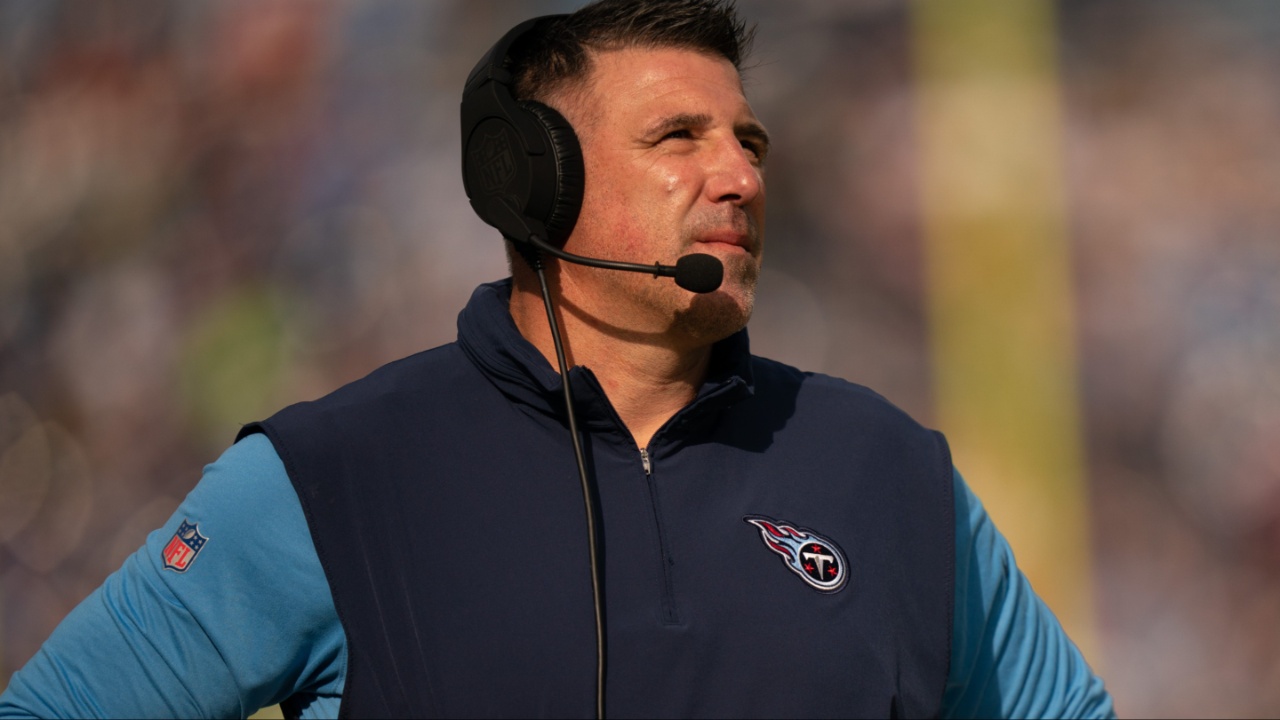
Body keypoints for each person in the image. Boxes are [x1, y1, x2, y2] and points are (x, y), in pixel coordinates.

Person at [0, 1, 1114, 717]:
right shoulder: (331, 477)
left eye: (748, 143)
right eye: (678, 139)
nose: (737, 176)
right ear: (530, 184)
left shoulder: (888, 471)